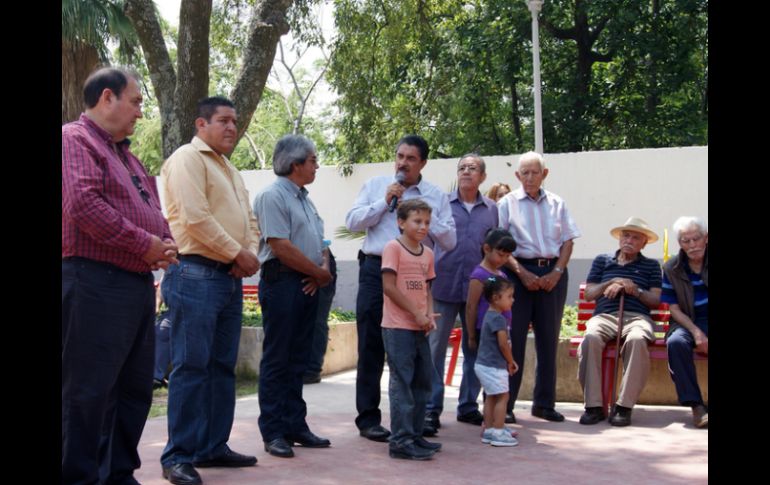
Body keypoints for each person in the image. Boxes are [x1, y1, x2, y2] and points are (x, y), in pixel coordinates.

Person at [62, 66, 179, 485]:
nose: (139, 112)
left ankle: (118, 474)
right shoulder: (73, 140)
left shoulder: (125, 155)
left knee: (133, 391)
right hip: (93, 280)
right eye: (136, 101)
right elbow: (83, 204)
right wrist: (144, 244)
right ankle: (77, 477)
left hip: (132, 286)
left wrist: (164, 240)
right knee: (87, 392)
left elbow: (153, 210)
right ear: (107, 98)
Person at [160, 96, 261, 484]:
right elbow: (194, 218)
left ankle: (212, 446)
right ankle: (178, 456)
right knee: (191, 366)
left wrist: (246, 254)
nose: (232, 127)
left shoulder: (230, 169)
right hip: (194, 273)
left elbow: (250, 221)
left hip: (229, 277)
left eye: (235, 121)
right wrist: (238, 252)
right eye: (223, 120)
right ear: (201, 125)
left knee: (221, 366)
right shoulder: (188, 158)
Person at [345, 135, 456, 442]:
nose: (402, 163)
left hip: (415, 276)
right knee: (370, 347)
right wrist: (385, 202)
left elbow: (450, 240)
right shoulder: (376, 185)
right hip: (374, 270)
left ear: (422, 163)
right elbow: (352, 221)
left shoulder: (434, 195)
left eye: (410, 158)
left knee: (413, 352)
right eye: (399, 156)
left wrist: (421, 219)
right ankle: (368, 419)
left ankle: (409, 423)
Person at [253, 134, 334, 459]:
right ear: (295, 163)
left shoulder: (304, 198)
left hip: (307, 282)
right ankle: (273, 432)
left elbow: (321, 241)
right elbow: (280, 246)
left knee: (299, 358)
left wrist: (321, 269)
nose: (317, 165)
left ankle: (294, 425)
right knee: (278, 359)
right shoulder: (273, 196)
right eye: (313, 160)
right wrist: (317, 273)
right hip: (283, 283)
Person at [498, 151, 581, 423]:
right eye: (525, 172)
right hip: (517, 274)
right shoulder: (507, 204)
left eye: (535, 172)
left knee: (548, 340)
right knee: (514, 340)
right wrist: (522, 273)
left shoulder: (558, 203)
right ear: (517, 175)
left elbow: (568, 241)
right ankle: (506, 405)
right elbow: (500, 245)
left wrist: (557, 271)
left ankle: (544, 404)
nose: (530, 177)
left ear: (544, 174)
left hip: (553, 274)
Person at [426, 154, 499, 430]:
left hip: (477, 289)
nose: (466, 172)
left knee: (475, 348)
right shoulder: (441, 204)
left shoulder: (492, 209)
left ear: (482, 176)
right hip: (443, 285)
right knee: (435, 349)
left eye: (473, 168)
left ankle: (468, 406)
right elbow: (429, 242)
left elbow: (492, 248)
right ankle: (432, 408)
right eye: (462, 168)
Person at [578, 217, 663, 427]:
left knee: (636, 339)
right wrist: (612, 281)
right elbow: (589, 294)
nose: (629, 240)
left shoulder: (651, 266)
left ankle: (624, 407)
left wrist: (635, 289)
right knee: (590, 338)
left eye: (636, 238)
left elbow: (655, 300)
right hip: (605, 317)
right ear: (619, 238)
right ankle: (594, 406)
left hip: (637, 317)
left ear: (644, 243)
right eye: (626, 235)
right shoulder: (602, 260)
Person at [381, 199, 442, 460]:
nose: (423, 227)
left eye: (427, 222)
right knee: (402, 383)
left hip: (420, 327)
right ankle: (401, 440)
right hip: (398, 327)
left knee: (422, 381)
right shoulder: (392, 248)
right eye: (417, 221)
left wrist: (427, 314)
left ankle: (416, 435)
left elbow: (427, 288)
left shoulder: (427, 253)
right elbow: (389, 287)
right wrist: (416, 314)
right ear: (401, 222)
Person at [463, 229, 518, 426]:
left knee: (494, 380)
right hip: (485, 331)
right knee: (485, 373)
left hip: (501, 330)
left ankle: (492, 421)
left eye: (507, 256)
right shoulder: (479, 275)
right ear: (487, 249)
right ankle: (469, 407)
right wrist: (470, 334)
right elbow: (471, 305)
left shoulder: (499, 275)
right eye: (500, 254)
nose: (503, 259)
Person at [662, 217, 708, 428]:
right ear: (680, 244)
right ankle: (696, 406)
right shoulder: (672, 267)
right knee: (676, 343)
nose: (691, 245)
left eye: (695, 239)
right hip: (687, 320)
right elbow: (674, 308)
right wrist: (696, 332)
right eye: (685, 241)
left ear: (706, 238)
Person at [475, 277, 520, 447]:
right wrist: (511, 361)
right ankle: (498, 431)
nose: (512, 300)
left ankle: (489, 428)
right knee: (503, 396)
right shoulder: (499, 319)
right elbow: (502, 344)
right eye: (509, 296)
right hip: (493, 365)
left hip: (483, 364)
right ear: (495, 298)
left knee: (492, 397)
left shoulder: (489, 314)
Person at [304, 247, 338, 384]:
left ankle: (312, 369)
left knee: (317, 320)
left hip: (319, 262)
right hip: (294, 263)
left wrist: (323, 268)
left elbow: (322, 241)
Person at [154, 280, 171, 389]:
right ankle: (155, 377)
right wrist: (157, 306)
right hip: (172, 311)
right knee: (162, 329)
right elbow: (162, 284)